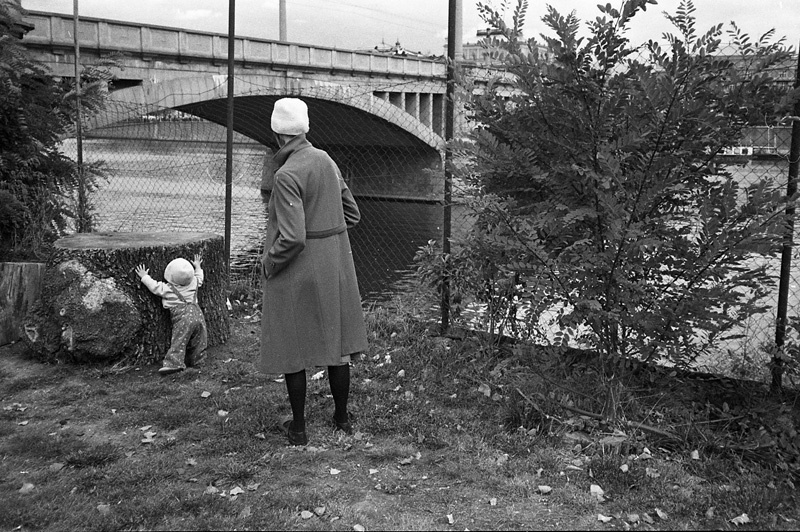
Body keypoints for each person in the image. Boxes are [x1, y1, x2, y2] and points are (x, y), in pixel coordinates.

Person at [260, 97, 368, 446]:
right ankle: (342, 419)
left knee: (294, 346)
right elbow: (352, 214)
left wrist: (269, 262)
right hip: (334, 264)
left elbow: (292, 238)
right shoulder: (326, 160)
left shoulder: (286, 174)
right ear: (304, 128)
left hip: (299, 269)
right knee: (337, 344)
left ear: (277, 133)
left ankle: (299, 428)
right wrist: (327, 230)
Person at [135, 254, 208, 376]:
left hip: (183, 318)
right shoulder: (195, 282)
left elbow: (154, 286)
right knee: (200, 340)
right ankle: (198, 361)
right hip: (198, 315)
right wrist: (198, 266)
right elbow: (200, 276)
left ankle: (174, 364)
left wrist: (144, 276)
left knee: (179, 340)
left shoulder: (168, 289)